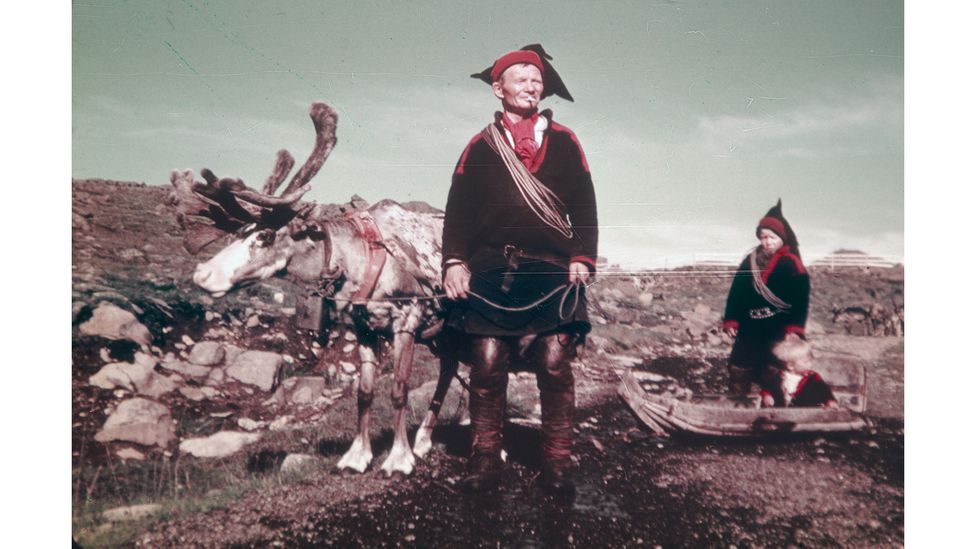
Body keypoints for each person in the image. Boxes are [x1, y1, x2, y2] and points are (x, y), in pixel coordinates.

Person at [441, 44, 598, 495]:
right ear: (498, 88)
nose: (532, 85)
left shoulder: (566, 141)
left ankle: (558, 462)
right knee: (487, 362)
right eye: (521, 78)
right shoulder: (479, 145)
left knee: (553, 360)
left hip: (551, 268)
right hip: (492, 267)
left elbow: (584, 206)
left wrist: (583, 257)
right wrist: (454, 261)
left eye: (537, 79)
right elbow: (458, 211)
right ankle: (485, 460)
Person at [722, 200, 810, 407]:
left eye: (772, 237)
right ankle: (737, 406)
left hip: (777, 328)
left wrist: (794, 328)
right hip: (749, 326)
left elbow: (800, 299)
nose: (767, 242)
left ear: (782, 238)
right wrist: (732, 320)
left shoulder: (792, 264)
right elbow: (737, 292)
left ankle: (777, 407)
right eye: (763, 237)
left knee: (773, 370)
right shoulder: (749, 261)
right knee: (739, 367)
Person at [770, 334, 838, 408]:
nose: (810, 365)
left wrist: (830, 400)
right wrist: (767, 396)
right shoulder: (778, 377)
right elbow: (769, 388)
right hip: (782, 416)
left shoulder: (813, 377)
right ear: (791, 366)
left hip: (808, 415)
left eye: (810, 361)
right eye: (806, 362)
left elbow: (824, 390)